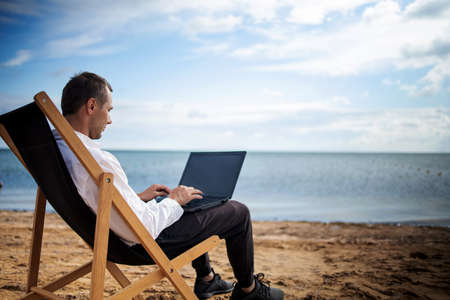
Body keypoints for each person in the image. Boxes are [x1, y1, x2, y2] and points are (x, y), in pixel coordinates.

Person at [54, 72, 284, 300]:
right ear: (92, 106)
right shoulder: (98, 159)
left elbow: (94, 198)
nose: (110, 120)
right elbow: (145, 227)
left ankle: (206, 279)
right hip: (140, 244)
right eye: (109, 110)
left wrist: (138, 198)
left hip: (112, 237)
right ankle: (249, 290)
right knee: (237, 211)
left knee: (191, 201)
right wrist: (174, 201)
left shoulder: (59, 150)